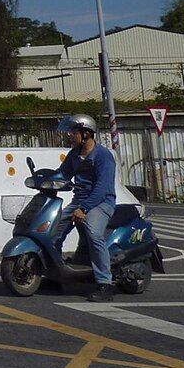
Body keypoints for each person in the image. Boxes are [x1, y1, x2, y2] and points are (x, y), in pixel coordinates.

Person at [51, 113, 117, 301]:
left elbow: (102, 188)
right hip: (79, 201)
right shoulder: (74, 154)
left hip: (101, 203)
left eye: (74, 132)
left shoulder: (103, 156)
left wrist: (84, 208)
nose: (70, 135)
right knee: (53, 231)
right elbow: (62, 175)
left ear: (86, 134)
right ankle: (54, 274)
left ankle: (104, 283)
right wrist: (44, 179)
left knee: (94, 234)